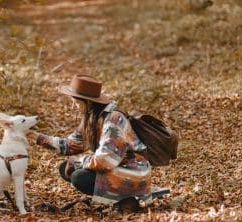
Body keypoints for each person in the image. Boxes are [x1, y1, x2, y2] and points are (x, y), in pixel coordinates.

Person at [29, 74, 152, 205]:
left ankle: (127, 198)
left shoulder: (113, 119)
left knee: (79, 177)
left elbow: (105, 160)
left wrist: (78, 162)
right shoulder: (92, 118)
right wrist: (37, 137)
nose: (73, 107)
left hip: (134, 173)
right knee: (64, 168)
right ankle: (119, 199)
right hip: (118, 167)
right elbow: (69, 145)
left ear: (88, 102)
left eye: (76, 103)